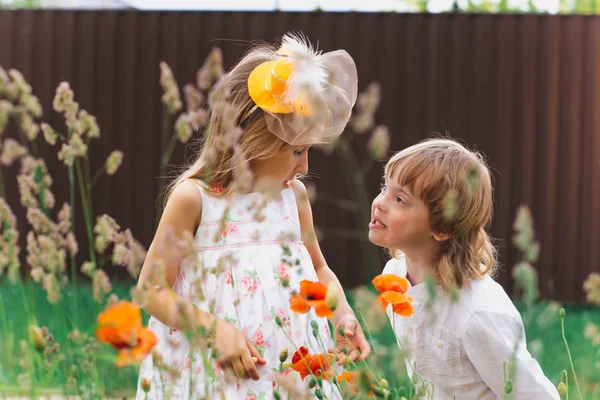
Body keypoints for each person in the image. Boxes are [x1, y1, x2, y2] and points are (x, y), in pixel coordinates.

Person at [136, 33, 371, 399]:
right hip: (213, 375)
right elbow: (150, 290)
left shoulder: (293, 200)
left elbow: (320, 270)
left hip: (290, 369)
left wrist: (341, 314)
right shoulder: (196, 200)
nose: (305, 165)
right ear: (251, 138)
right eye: (296, 150)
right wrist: (213, 330)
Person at [369, 138, 559, 399]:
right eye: (384, 188)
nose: (380, 202)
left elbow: (533, 394)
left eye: (400, 199)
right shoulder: (393, 278)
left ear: (442, 228)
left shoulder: (478, 313)